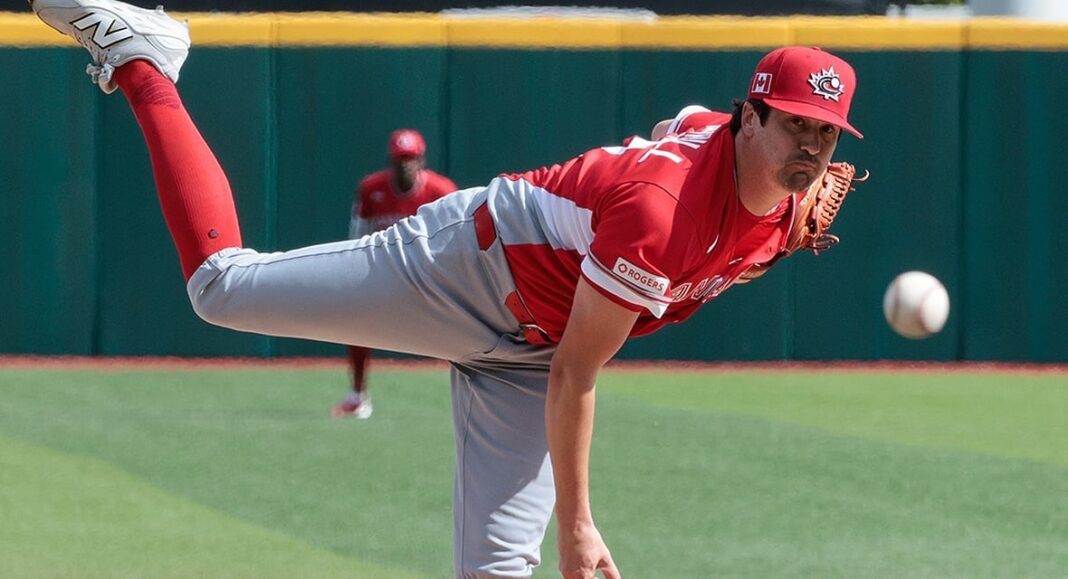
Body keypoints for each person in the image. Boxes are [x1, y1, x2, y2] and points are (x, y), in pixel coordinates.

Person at [30, 1, 863, 576]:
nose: (811, 148)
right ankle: (145, 58)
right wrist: (576, 525)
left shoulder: (782, 202)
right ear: (750, 116)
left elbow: (681, 121)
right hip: (465, 269)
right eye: (795, 123)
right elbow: (578, 372)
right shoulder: (660, 213)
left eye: (825, 133)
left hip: (528, 350)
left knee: (496, 569)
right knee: (220, 288)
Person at [334, 129, 458, 419]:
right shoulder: (371, 189)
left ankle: (470, 394)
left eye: (411, 158)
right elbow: (358, 237)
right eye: (401, 159)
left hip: (429, 274)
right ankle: (357, 395)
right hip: (386, 271)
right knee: (357, 320)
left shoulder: (441, 191)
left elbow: (456, 239)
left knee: (465, 326)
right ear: (391, 161)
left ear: (421, 160)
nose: (406, 165)